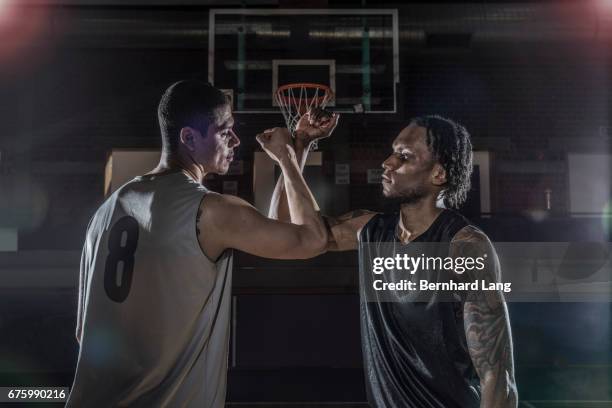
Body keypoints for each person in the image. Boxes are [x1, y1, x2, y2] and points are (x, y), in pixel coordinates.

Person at [66, 80, 328, 407]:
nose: (235, 140)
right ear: (189, 138)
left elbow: (83, 333)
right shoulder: (210, 211)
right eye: (224, 131)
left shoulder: (105, 212)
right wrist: (287, 157)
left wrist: (300, 144)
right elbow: (311, 239)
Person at [269, 113, 518, 408]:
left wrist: (289, 156)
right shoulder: (372, 231)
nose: (387, 163)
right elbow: (288, 230)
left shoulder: (464, 246)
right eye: (391, 152)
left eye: (404, 156)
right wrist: (296, 150)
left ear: (438, 174)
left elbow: (497, 376)